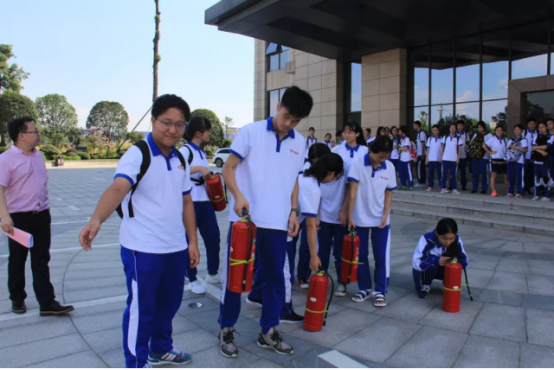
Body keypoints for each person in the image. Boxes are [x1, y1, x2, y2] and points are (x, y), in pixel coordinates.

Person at [79, 95, 200, 368]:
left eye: (180, 125)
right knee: (141, 308)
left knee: (169, 305)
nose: (172, 130)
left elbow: (186, 201)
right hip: (142, 248)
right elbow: (118, 188)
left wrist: (192, 241)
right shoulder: (138, 153)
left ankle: (161, 349)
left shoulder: (180, 157)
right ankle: (135, 362)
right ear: (153, 120)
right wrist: (96, 220)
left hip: (175, 247)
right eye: (167, 122)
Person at [218, 86, 312, 358]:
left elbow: (294, 178)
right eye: (286, 116)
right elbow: (228, 168)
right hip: (245, 219)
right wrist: (237, 196)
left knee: (274, 279)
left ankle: (268, 330)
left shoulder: (299, 141)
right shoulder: (250, 131)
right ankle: (226, 328)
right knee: (234, 276)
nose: (288, 123)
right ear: (278, 105)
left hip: (277, 221)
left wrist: (294, 210)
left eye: (295, 121)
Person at [0, 117, 75, 317]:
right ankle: (17, 299)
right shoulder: (6, 159)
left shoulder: (38, 156)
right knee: (18, 258)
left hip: (41, 215)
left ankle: (47, 302)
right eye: (34, 131)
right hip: (19, 218)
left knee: (41, 258)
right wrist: (4, 217)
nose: (38, 134)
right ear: (22, 136)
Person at [276, 151, 344, 324]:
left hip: (272, 223)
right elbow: (311, 226)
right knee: (285, 273)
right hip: (280, 229)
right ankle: (283, 310)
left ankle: (257, 296)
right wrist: (314, 256)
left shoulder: (304, 176)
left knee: (273, 268)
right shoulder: (312, 188)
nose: (334, 180)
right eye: (336, 177)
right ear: (330, 173)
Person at [319, 122, 368, 298]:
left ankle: (342, 282)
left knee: (341, 249)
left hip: (350, 201)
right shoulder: (337, 150)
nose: (346, 135)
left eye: (350, 132)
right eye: (345, 132)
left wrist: (346, 210)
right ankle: (321, 277)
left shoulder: (364, 151)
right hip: (330, 203)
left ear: (357, 134)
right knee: (323, 249)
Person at [347, 136, 397, 308]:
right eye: (380, 156)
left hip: (381, 220)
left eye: (386, 156)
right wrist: (350, 214)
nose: (382, 160)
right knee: (360, 256)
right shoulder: (358, 164)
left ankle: (380, 290)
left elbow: (389, 193)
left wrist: (385, 215)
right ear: (371, 151)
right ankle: (364, 288)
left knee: (381, 255)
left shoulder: (389, 167)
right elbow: (352, 190)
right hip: (360, 217)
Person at [180, 116, 221, 295]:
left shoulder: (201, 152)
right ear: (199, 133)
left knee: (213, 238)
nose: (209, 133)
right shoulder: (185, 150)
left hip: (205, 200)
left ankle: (213, 272)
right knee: (190, 240)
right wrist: (198, 169)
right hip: (190, 200)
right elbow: (177, 171)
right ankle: (191, 276)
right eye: (207, 130)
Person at [412, 218, 468, 299]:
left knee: (453, 263)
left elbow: (464, 261)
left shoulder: (457, 240)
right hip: (429, 270)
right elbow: (416, 263)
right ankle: (424, 285)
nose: (448, 242)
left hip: (445, 270)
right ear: (437, 233)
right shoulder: (426, 239)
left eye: (451, 238)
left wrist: (454, 261)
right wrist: (434, 261)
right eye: (444, 238)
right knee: (432, 260)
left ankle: (448, 284)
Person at [484, 126, 509, 198]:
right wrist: (490, 152)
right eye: (498, 130)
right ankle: (493, 191)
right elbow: (484, 145)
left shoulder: (505, 139)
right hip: (495, 159)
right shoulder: (492, 139)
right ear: (495, 131)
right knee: (493, 176)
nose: (499, 132)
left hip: (503, 159)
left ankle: (509, 191)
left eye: (501, 130)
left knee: (506, 176)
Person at [506, 124, 529, 199]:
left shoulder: (524, 140)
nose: (516, 131)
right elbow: (506, 150)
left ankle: (519, 192)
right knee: (511, 176)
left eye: (518, 129)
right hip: (511, 160)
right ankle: (510, 191)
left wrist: (516, 147)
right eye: (515, 129)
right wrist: (509, 146)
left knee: (519, 177)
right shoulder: (511, 140)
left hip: (519, 161)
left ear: (521, 131)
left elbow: (525, 150)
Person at [470, 121, 493, 194]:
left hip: (484, 157)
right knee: (475, 173)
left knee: (484, 173)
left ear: (484, 127)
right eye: (478, 127)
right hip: (475, 156)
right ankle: (474, 187)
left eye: (481, 127)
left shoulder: (489, 135)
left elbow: (491, 145)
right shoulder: (476, 134)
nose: (479, 129)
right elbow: (471, 143)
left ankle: (484, 188)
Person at [531, 122, 551, 201]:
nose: (541, 129)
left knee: (546, 177)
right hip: (537, 160)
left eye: (543, 127)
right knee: (537, 177)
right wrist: (541, 151)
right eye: (539, 127)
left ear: (546, 127)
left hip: (545, 161)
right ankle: (537, 194)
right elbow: (533, 147)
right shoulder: (537, 136)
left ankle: (547, 195)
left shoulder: (549, 137)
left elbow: (548, 147)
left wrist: (537, 148)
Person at [441, 123, 462, 195]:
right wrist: (441, 157)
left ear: (456, 129)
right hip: (445, 158)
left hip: (454, 159)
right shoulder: (445, 137)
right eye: (451, 128)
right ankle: (443, 188)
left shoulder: (458, 138)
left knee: (453, 174)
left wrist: (458, 158)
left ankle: (454, 188)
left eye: (454, 128)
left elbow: (459, 150)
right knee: (444, 174)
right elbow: (442, 147)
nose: (452, 129)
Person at [426, 125, 443, 192]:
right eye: (434, 130)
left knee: (440, 173)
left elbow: (443, 149)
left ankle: (442, 186)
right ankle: (430, 185)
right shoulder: (430, 139)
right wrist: (426, 159)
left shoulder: (442, 139)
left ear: (438, 131)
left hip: (439, 159)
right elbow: (427, 150)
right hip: (431, 159)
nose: (435, 132)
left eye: (436, 130)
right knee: (430, 173)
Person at [524, 118, 538, 195]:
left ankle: (534, 188)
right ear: (527, 125)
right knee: (527, 173)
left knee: (535, 173)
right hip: (527, 156)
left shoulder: (538, 132)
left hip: (536, 156)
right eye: (530, 124)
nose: (532, 125)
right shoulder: (524, 132)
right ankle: (526, 188)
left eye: (533, 123)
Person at [398, 126, 414, 191]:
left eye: (399, 131)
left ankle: (410, 185)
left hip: (407, 158)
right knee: (401, 172)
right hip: (402, 158)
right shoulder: (402, 139)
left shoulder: (407, 139)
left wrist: (400, 148)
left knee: (408, 172)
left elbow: (406, 148)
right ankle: (403, 184)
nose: (399, 132)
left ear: (402, 131)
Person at [457, 120, 470, 191]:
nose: (459, 127)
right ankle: (451, 184)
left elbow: (468, 143)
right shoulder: (454, 134)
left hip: (463, 155)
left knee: (463, 172)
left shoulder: (465, 134)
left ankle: (463, 185)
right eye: (458, 126)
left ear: (463, 127)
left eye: (461, 126)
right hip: (455, 156)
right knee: (454, 171)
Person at [414, 121, 427, 187]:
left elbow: (423, 144)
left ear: (417, 125)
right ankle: (422, 181)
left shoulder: (421, 133)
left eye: (414, 125)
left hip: (421, 154)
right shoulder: (418, 133)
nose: (414, 126)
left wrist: (422, 154)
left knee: (419, 168)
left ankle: (420, 181)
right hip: (418, 153)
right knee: (420, 168)